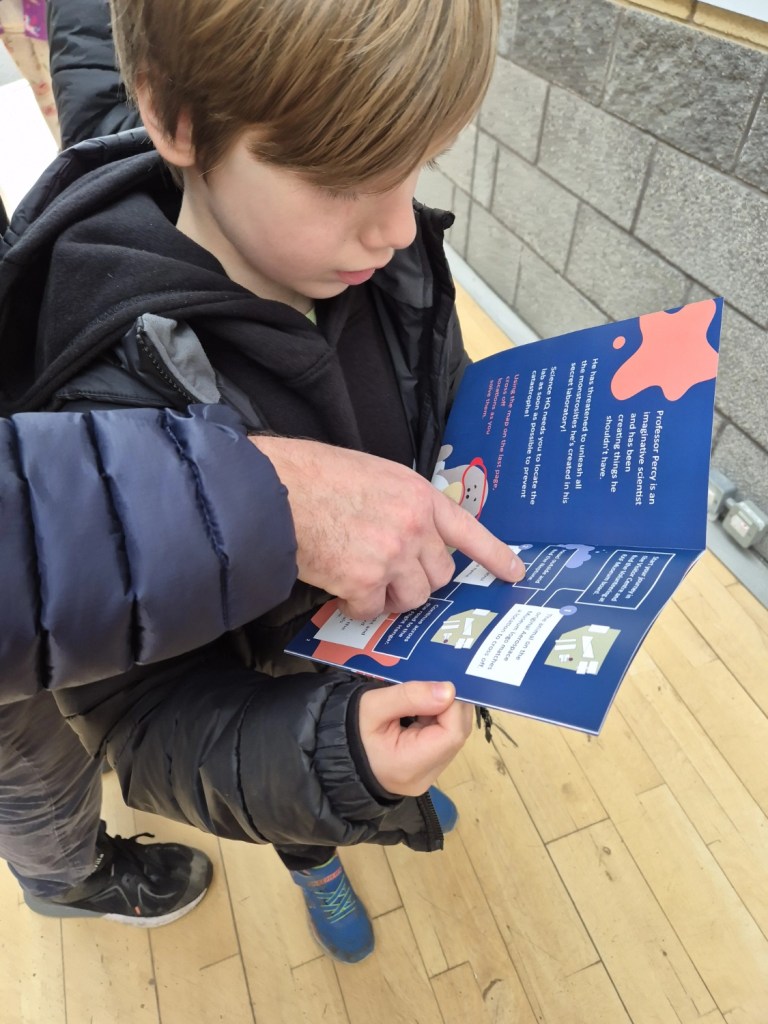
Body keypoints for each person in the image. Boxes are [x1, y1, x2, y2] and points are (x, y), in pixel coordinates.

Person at [0, 0, 522, 963]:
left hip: (400, 641)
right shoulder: (106, 401)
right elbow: (143, 720)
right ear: (176, 120)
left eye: (418, 166)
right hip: (276, 706)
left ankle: (383, 787)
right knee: (318, 806)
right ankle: (315, 862)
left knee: (396, 758)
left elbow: (432, 390)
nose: (396, 226)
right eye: (344, 180)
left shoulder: (379, 262)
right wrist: (333, 760)